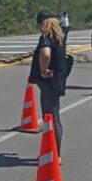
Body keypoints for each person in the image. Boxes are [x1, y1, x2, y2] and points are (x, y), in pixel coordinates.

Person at [30, 12, 67, 163]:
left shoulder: (45, 38)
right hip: (58, 80)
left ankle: (54, 153)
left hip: (48, 82)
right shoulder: (59, 37)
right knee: (55, 116)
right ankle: (54, 151)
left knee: (50, 118)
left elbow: (45, 54)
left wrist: (43, 70)